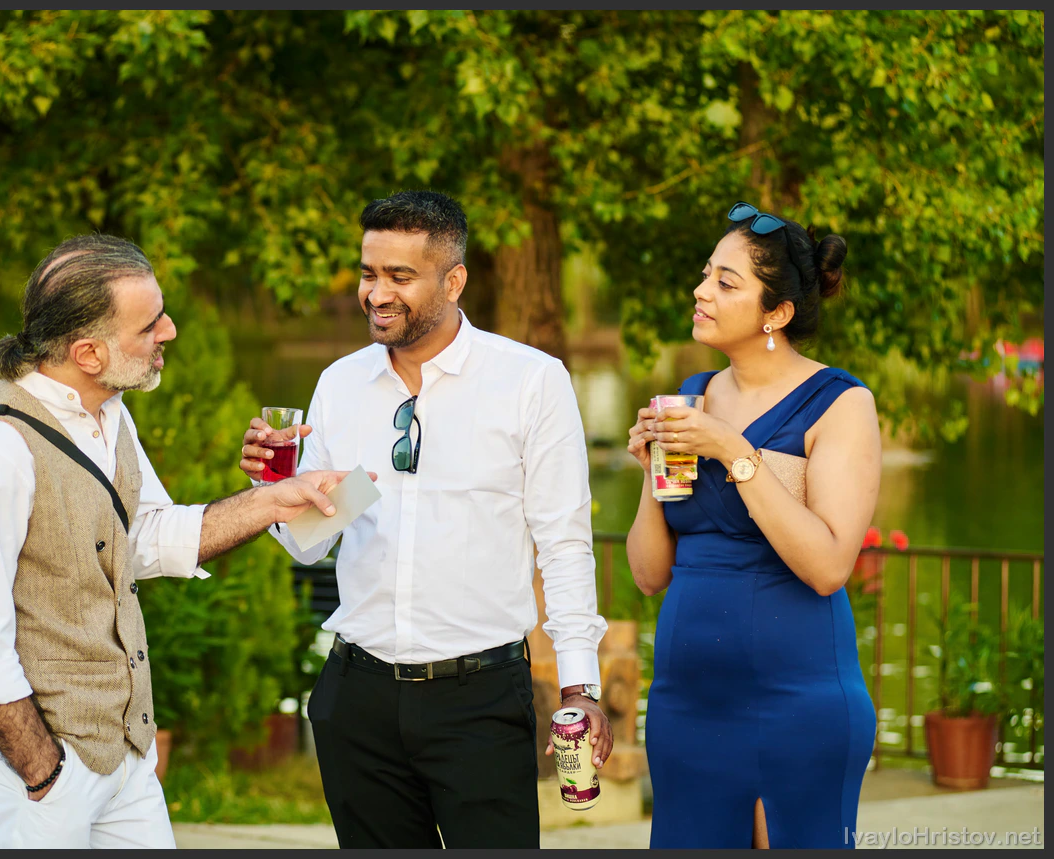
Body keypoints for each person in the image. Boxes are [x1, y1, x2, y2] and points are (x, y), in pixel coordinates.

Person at [0, 234, 364, 849]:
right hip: (37, 775)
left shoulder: (110, 413)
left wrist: (272, 500)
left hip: (126, 757)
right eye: (149, 324)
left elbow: (143, 538)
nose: (170, 331)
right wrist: (46, 775)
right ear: (88, 353)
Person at [238, 191, 612, 849]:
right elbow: (310, 543)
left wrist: (580, 686)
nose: (376, 293)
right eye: (368, 273)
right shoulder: (340, 384)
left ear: (453, 280)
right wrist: (271, 487)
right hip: (357, 698)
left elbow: (564, 544)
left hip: (480, 701)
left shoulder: (530, 381)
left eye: (400, 276)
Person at [625, 202, 880, 848]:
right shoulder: (691, 394)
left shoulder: (841, 403)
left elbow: (828, 567)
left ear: (777, 313)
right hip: (685, 704)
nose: (701, 290)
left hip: (796, 701)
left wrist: (731, 449)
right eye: (705, 274)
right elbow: (649, 574)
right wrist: (651, 473)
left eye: (725, 282)